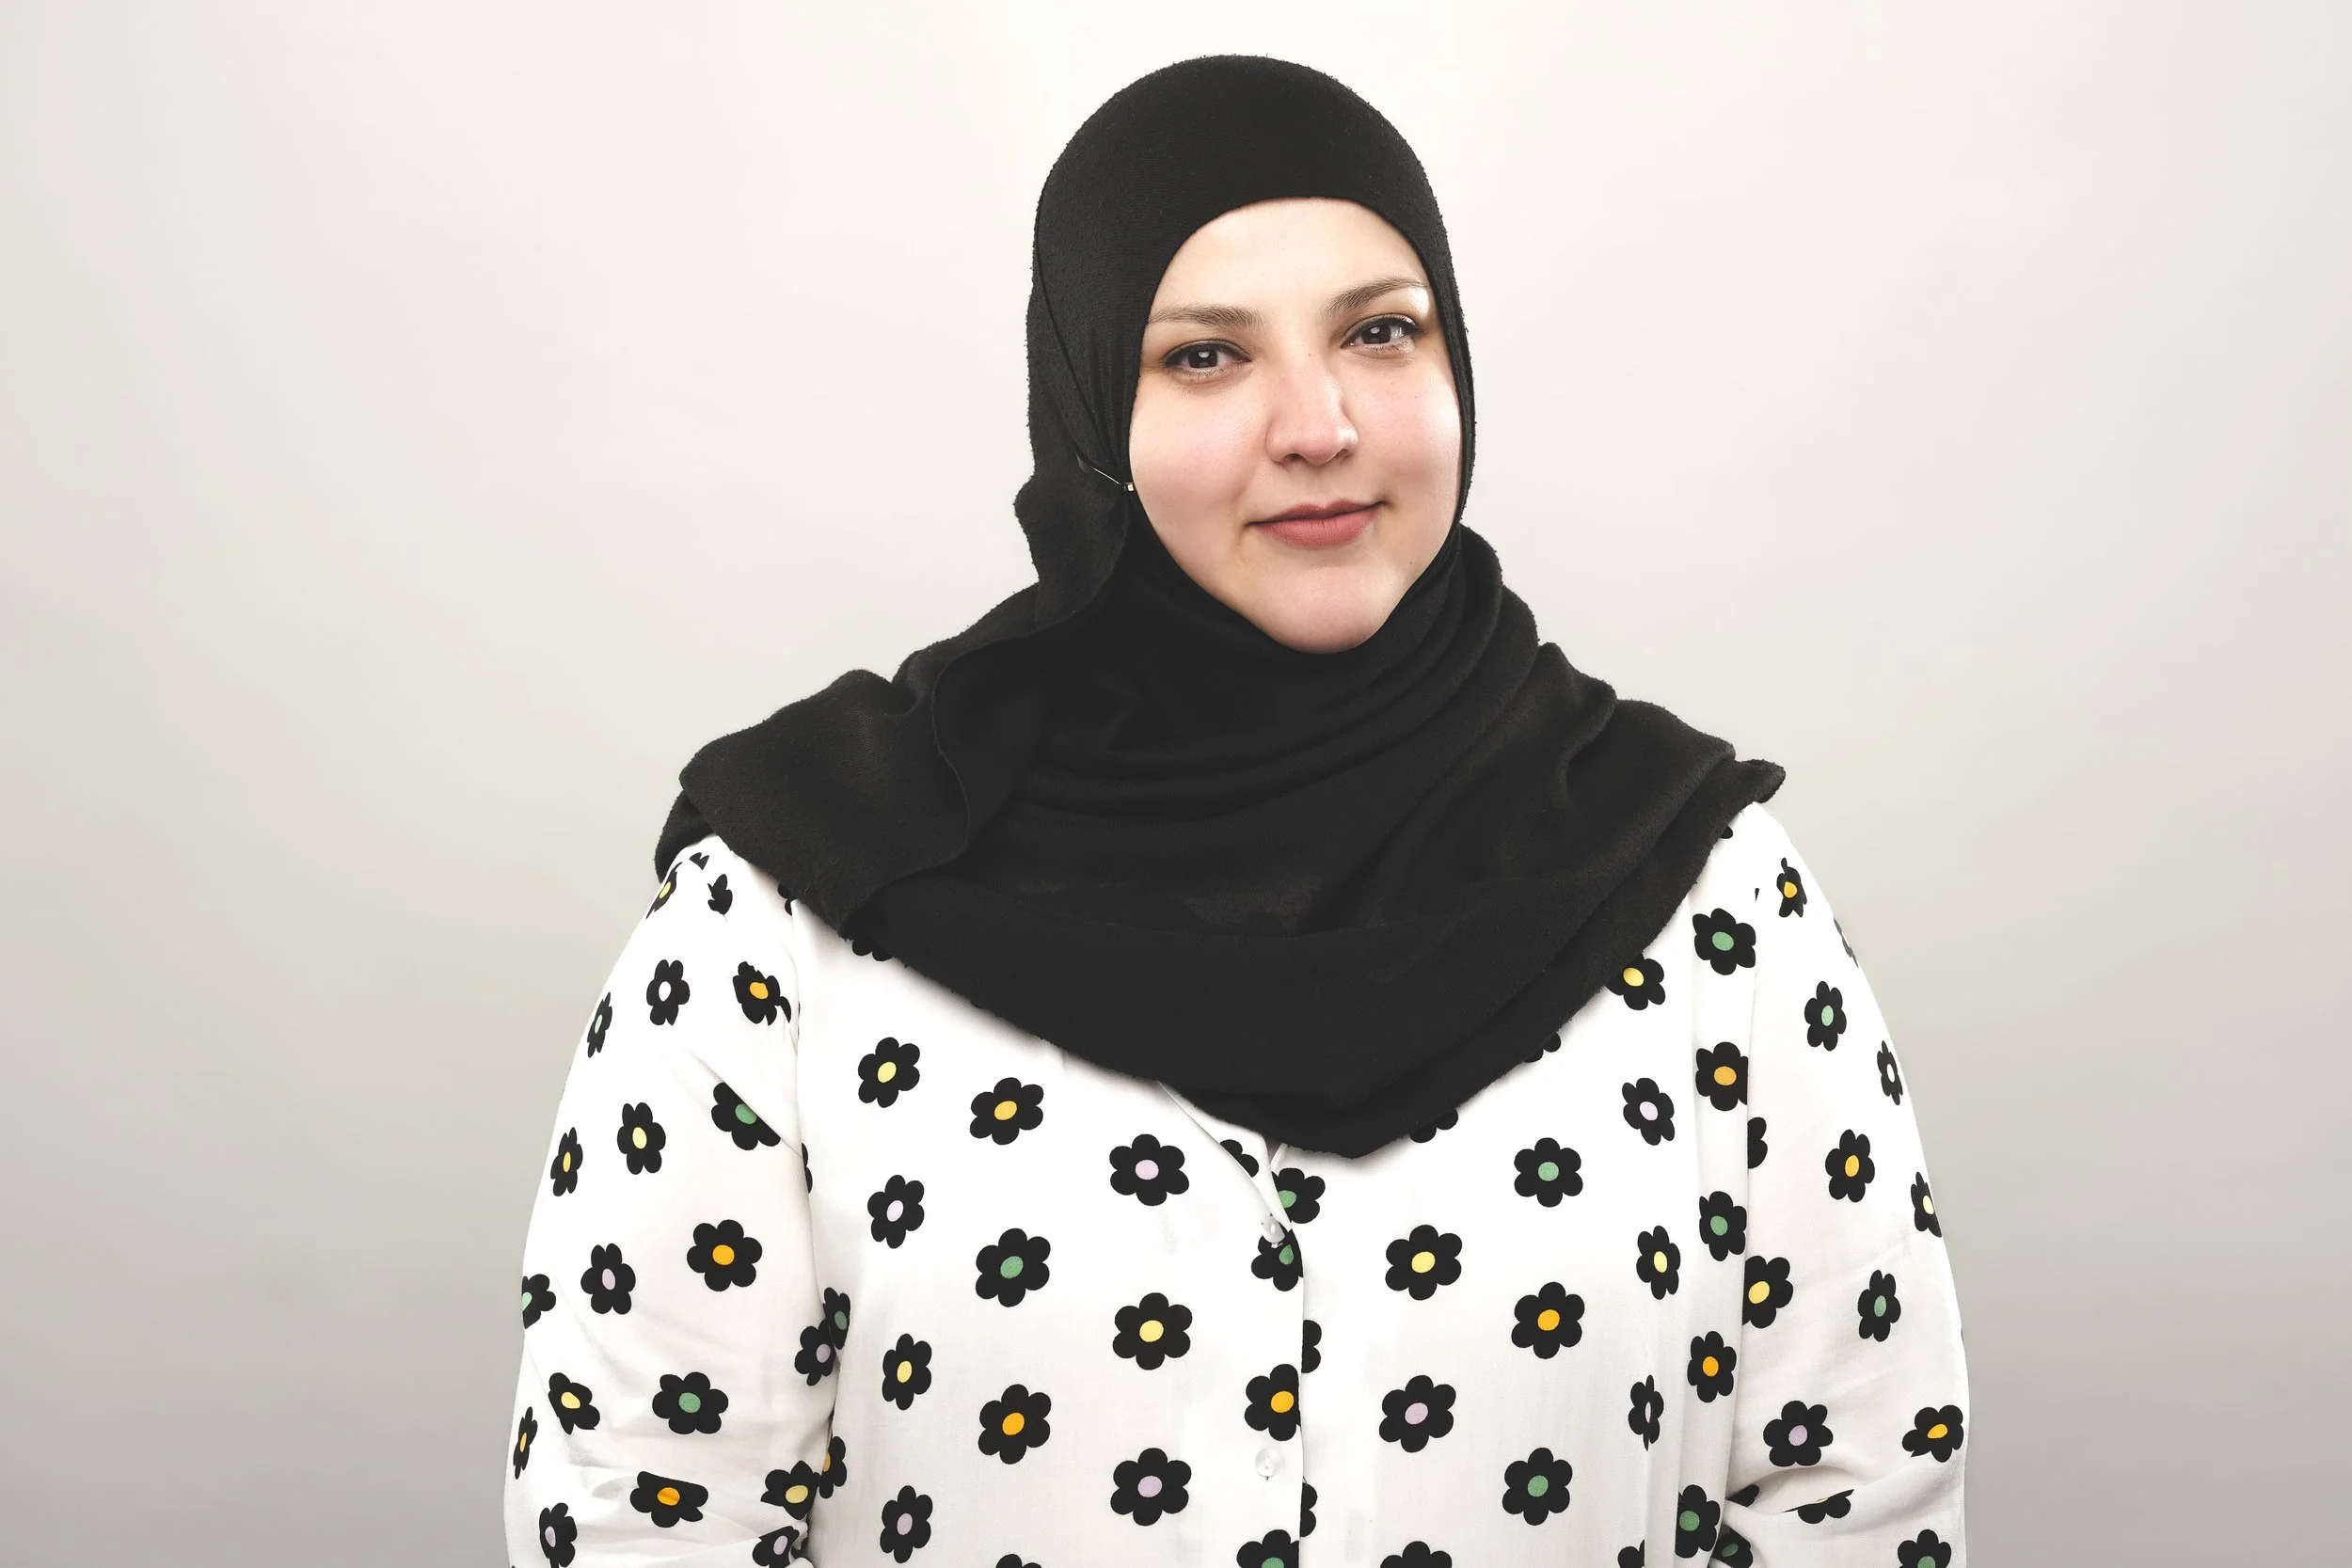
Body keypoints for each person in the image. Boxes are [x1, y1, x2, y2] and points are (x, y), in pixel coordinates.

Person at [502, 55, 1968, 1568]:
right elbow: (638, 1506)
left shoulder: (1705, 890)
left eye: (1380, 332)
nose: (1319, 422)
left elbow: (1855, 1494)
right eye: (1206, 357)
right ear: (1086, 408)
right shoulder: (797, 906)